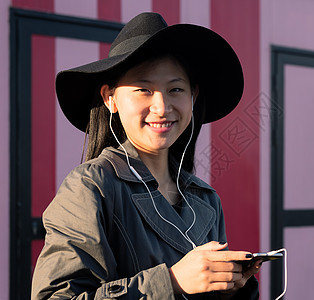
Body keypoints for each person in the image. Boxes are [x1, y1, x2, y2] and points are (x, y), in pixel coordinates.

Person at [31, 12, 260, 299]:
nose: (162, 107)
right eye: (143, 90)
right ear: (110, 98)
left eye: (175, 89)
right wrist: (172, 281)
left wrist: (231, 285)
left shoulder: (204, 198)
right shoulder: (90, 187)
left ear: (193, 96)